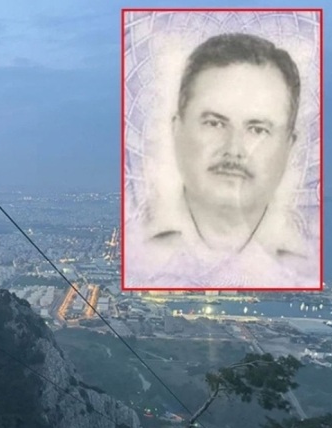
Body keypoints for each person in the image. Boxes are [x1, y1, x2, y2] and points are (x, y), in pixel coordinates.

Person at [126, 32, 319, 288]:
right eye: (215, 123)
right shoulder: (138, 247)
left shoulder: (304, 263)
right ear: (177, 129)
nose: (234, 149)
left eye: (258, 129)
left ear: (289, 145)